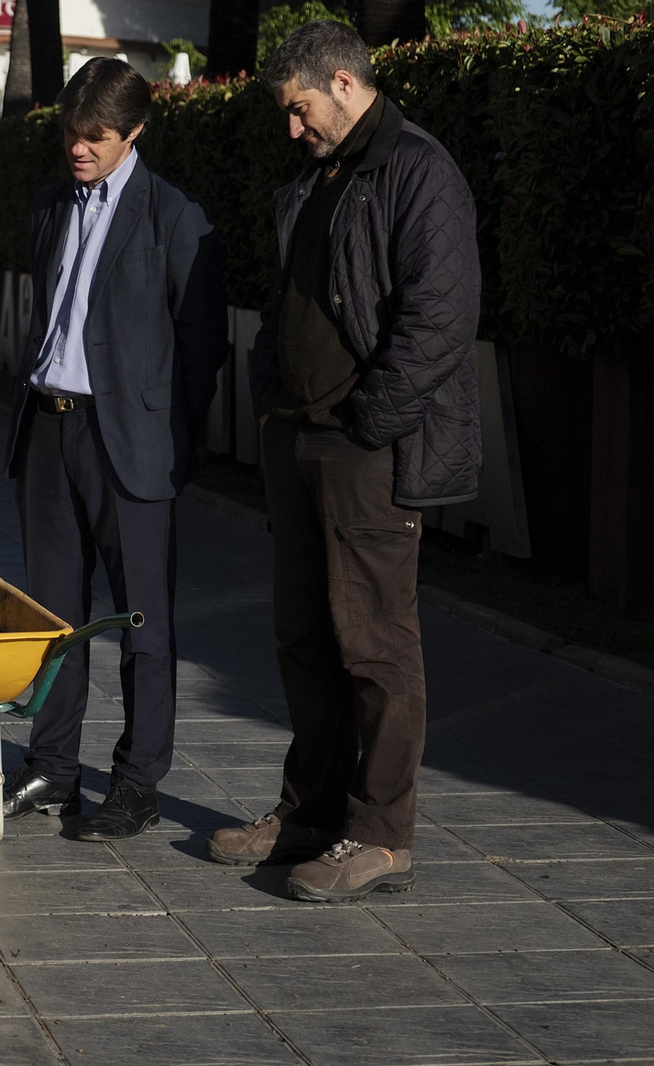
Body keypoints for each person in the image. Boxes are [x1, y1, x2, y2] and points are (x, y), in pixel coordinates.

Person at [207, 21, 480, 902]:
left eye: (299, 110)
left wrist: (370, 421)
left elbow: (440, 316)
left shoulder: (416, 169)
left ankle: (381, 836)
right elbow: (286, 299)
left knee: (375, 646)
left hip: (364, 445)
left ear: (341, 81)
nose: (292, 129)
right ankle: (312, 812)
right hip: (297, 436)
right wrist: (267, 401)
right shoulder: (317, 177)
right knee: (304, 636)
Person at [0, 57, 226, 841]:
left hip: (130, 444)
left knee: (141, 622)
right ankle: (53, 768)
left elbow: (203, 347)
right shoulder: (48, 206)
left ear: (135, 132)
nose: (79, 148)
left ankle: (137, 783)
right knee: (52, 617)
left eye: (96, 136)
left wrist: (171, 440)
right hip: (48, 430)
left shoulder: (175, 217)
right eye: (70, 132)